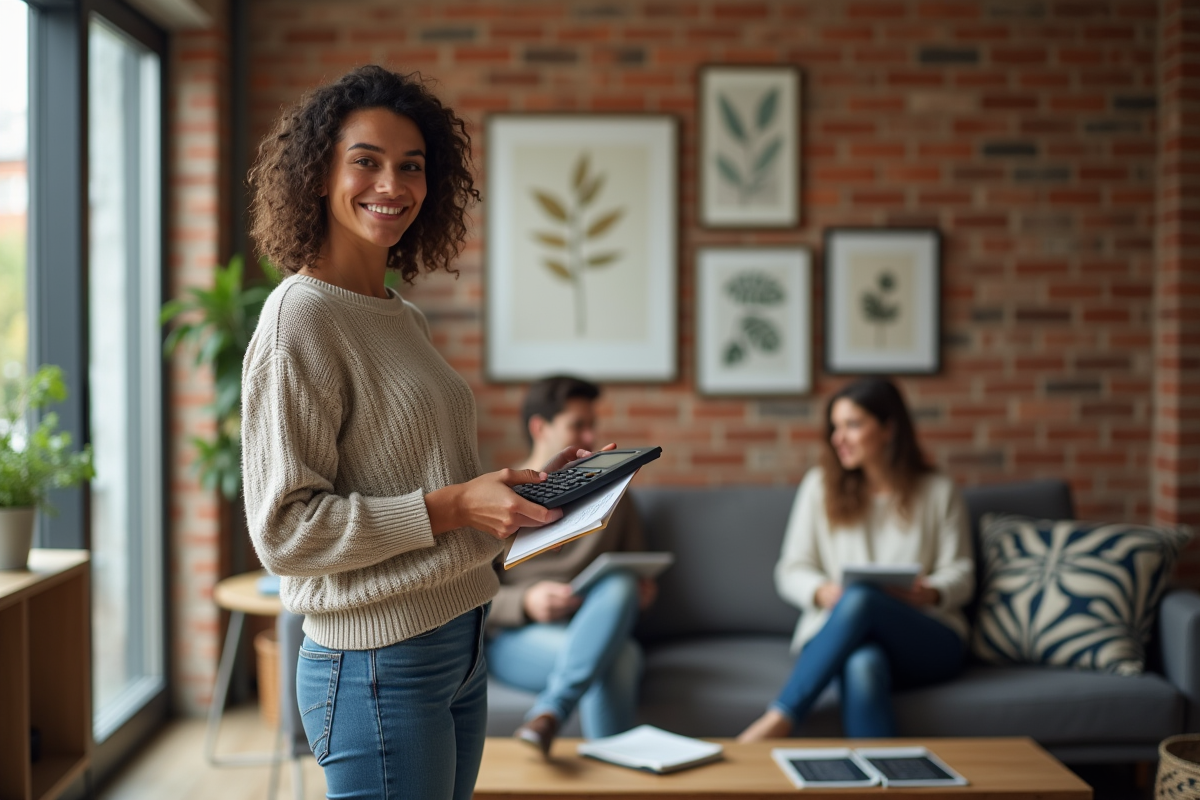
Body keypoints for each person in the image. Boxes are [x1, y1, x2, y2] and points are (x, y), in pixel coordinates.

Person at [241, 66, 603, 799]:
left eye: (412, 166)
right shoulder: (300, 318)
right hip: (378, 660)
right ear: (317, 174)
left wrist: (523, 486)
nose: (393, 185)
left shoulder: (402, 317)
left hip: (460, 640)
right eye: (366, 161)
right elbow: (285, 531)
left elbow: (419, 480)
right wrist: (458, 506)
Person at [738, 377, 974, 742]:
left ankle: (780, 718)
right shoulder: (819, 486)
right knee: (863, 662)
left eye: (852, 425)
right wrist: (822, 593)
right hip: (845, 634)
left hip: (924, 636)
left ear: (889, 429)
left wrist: (931, 592)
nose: (838, 438)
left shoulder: (937, 489)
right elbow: (791, 569)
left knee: (863, 598)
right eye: (835, 427)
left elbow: (962, 571)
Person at [487, 376, 656, 755]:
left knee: (623, 584)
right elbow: (467, 594)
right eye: (578, 425)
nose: (591, 435)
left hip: (594, 620)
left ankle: (549, 712)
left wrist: (643, 592)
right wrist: (526, 601)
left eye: (592, 424)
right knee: (620, 659)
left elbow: (635, 568)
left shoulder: (617, 496)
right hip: (520, 636)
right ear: (539, 428)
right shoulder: (500, 501)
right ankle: (615, 781)